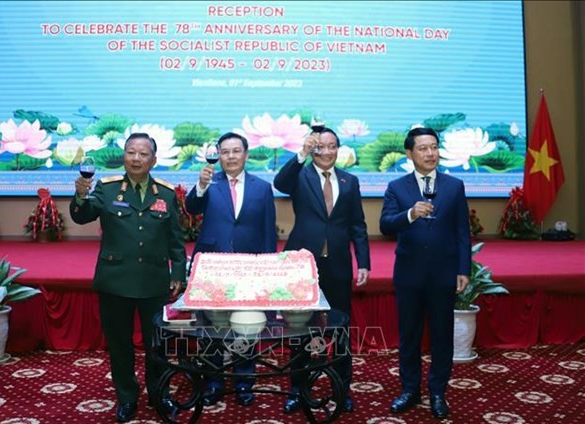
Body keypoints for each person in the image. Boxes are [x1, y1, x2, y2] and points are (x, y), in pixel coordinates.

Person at [70, 133, 186, 423]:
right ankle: (126, 397)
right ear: (124, 156)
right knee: (120, 344)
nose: (136, 158)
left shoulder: (166, 194)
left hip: (154, 281)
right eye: (131, 152)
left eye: (143, 154)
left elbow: (176, 239)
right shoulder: (107, 189)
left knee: (156, 344)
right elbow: (82, 216)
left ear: (153, 160)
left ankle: (159, 394)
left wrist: (178, 273)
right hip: (116, 281)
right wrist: (81, 196)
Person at [273, 126, 370, 414]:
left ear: (338, 149)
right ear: (313, 150)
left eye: (331, 147)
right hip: (304, 265)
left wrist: (363, 261)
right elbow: (280, 182)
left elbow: (358, 225)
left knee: (340, 329)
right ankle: (296, 389)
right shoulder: (300, 176)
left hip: (338, 264)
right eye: (320, 147)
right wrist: (301, 153)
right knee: (300, 328)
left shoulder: (349, 181)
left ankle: (341, 387)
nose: (326, 152)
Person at [379, 127, 471, 420]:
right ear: (409, 154)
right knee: (409, 335)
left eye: (434, 147)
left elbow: (462, 233)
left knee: (442, 335)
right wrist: (410, 214)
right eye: (423, 148)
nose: (430, 153)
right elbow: (385, 225)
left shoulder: (454, 186)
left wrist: (463, 269)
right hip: (409, 273)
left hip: (444, 273)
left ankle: (438, 392)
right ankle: (409, 390)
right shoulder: (397, 187)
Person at [185, 132, 277, 407]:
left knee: (246, 324)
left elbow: (268, 230)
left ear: (246, 155)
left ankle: (244, 381)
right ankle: (213, 381)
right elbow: (192, 207)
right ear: (219, 156)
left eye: (236, 151)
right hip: (213, 263)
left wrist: (267, 266)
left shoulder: (262, 187)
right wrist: (200, 186)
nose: (231, 157)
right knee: (212, 324)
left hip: (249, 266)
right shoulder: (209, 183)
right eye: (225, 152)